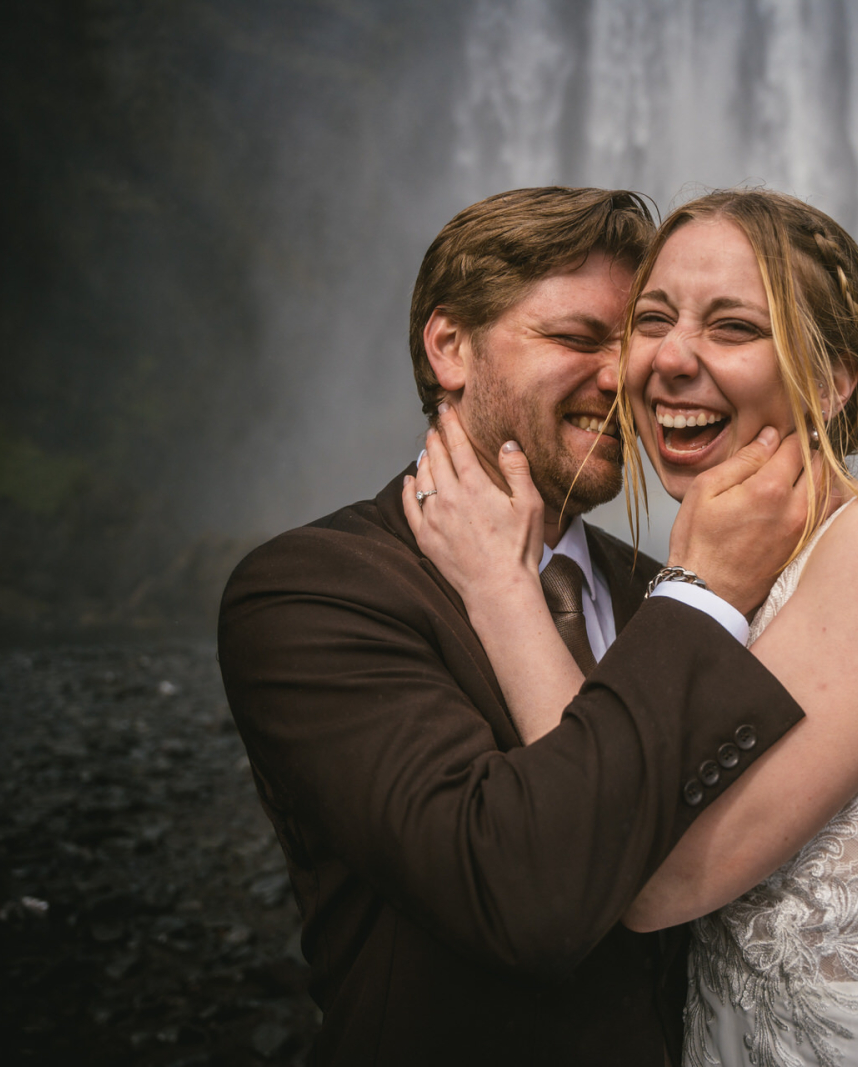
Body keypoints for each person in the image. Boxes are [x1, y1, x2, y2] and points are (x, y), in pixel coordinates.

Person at [408, 189, 858, 1067]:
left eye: (733, 327)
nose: (669, 359)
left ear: (831, 378)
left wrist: (499, 586)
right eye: (654, 319)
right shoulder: (719, 584)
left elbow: (642, 870)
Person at [217, 187, 819, 1067]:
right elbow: (523, 897)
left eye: (635, 341)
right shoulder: (310, 593)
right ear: (450, 346)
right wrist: (707, 592)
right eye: (577, 339)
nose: (628, 377)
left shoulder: (662, 591)